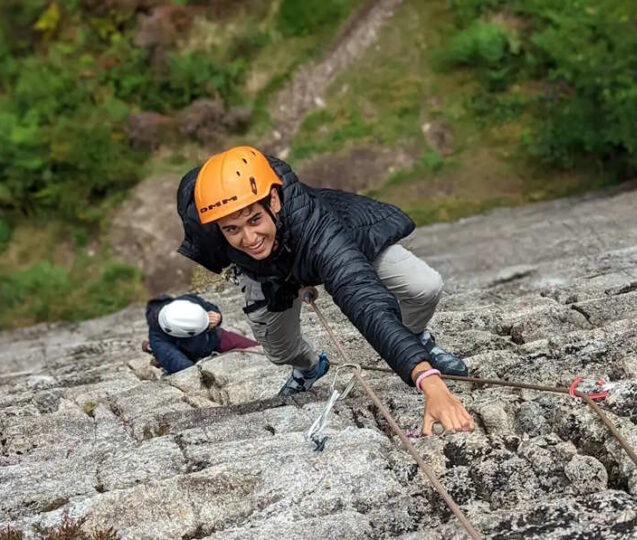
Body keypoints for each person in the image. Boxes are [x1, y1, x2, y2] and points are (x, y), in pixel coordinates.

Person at [176, 146, 474, 436]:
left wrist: (426, 378)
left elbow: (363, 297)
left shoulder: (317, 228)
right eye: (232, 229)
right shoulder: (201, 215)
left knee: (424, 285)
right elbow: (216, 251)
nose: (249, 237)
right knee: (280, 352)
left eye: (255, 220)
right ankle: (309, 368)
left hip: (335, 239)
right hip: (264, 274)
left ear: (275, 201)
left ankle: (416, 337)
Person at [143, 293, 258, 374]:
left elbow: (209, 306)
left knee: (257, 349)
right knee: (165, 356)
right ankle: (155, 354)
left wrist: (217, 316)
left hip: (214, 336)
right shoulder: (158, 340)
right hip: (189, 353)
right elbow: (180, 364)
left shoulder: (188, 300)